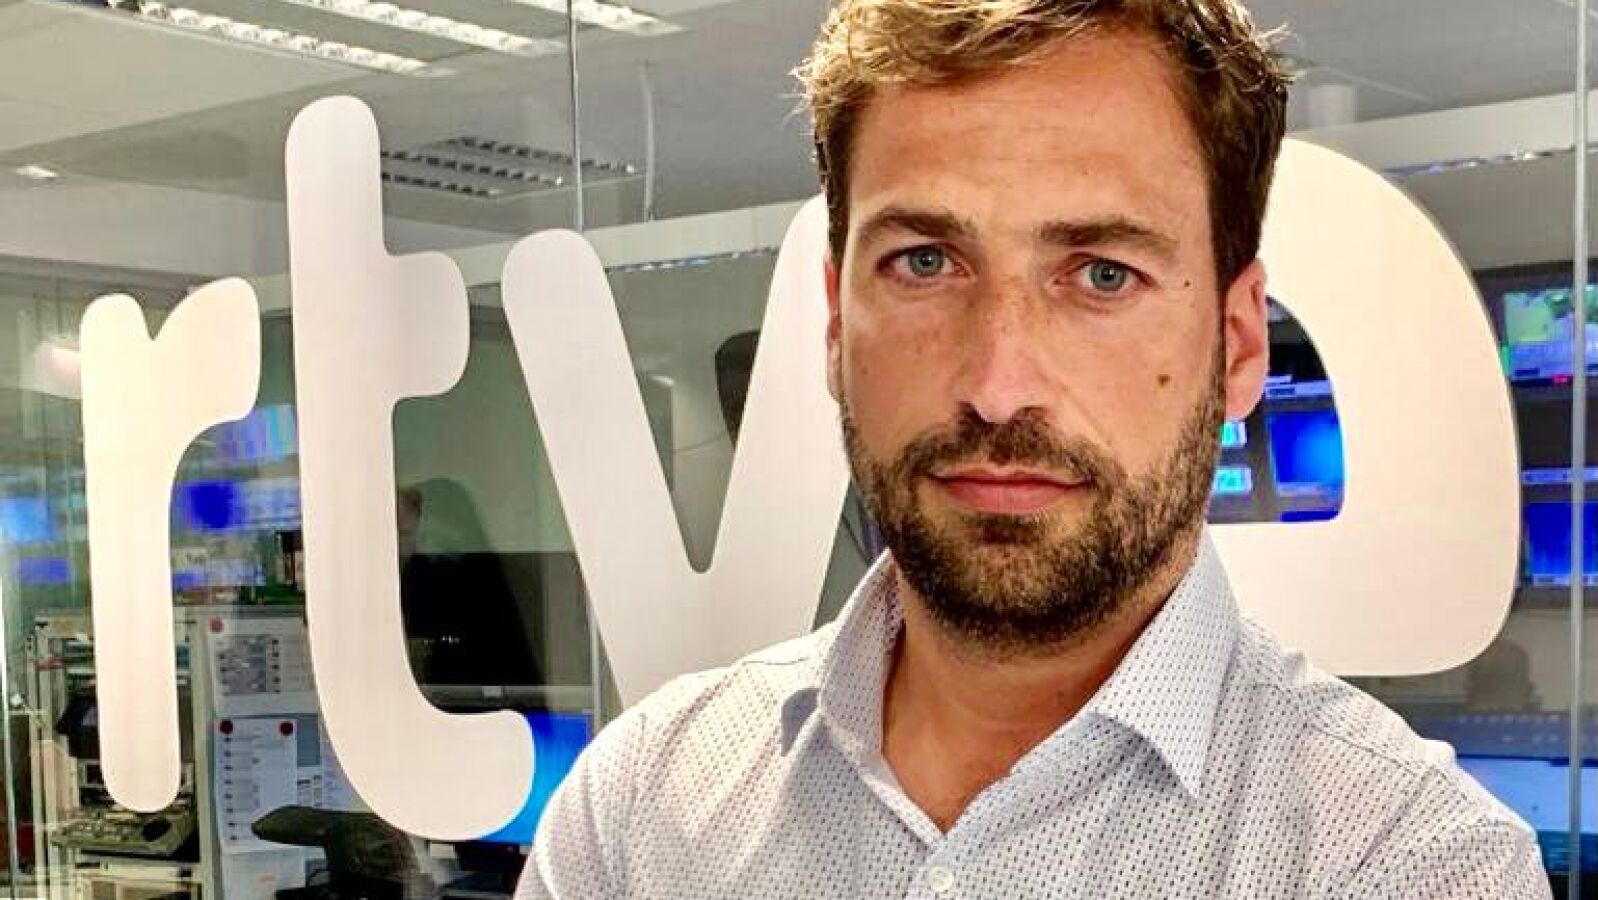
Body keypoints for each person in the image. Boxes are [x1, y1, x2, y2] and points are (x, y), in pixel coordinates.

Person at [514, 1, 1550, 897]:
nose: (996, 384)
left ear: (1236, 346)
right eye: (924, 262)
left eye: (1101, 274)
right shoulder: (638, 812)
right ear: (834, 324)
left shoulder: (1407, 865)